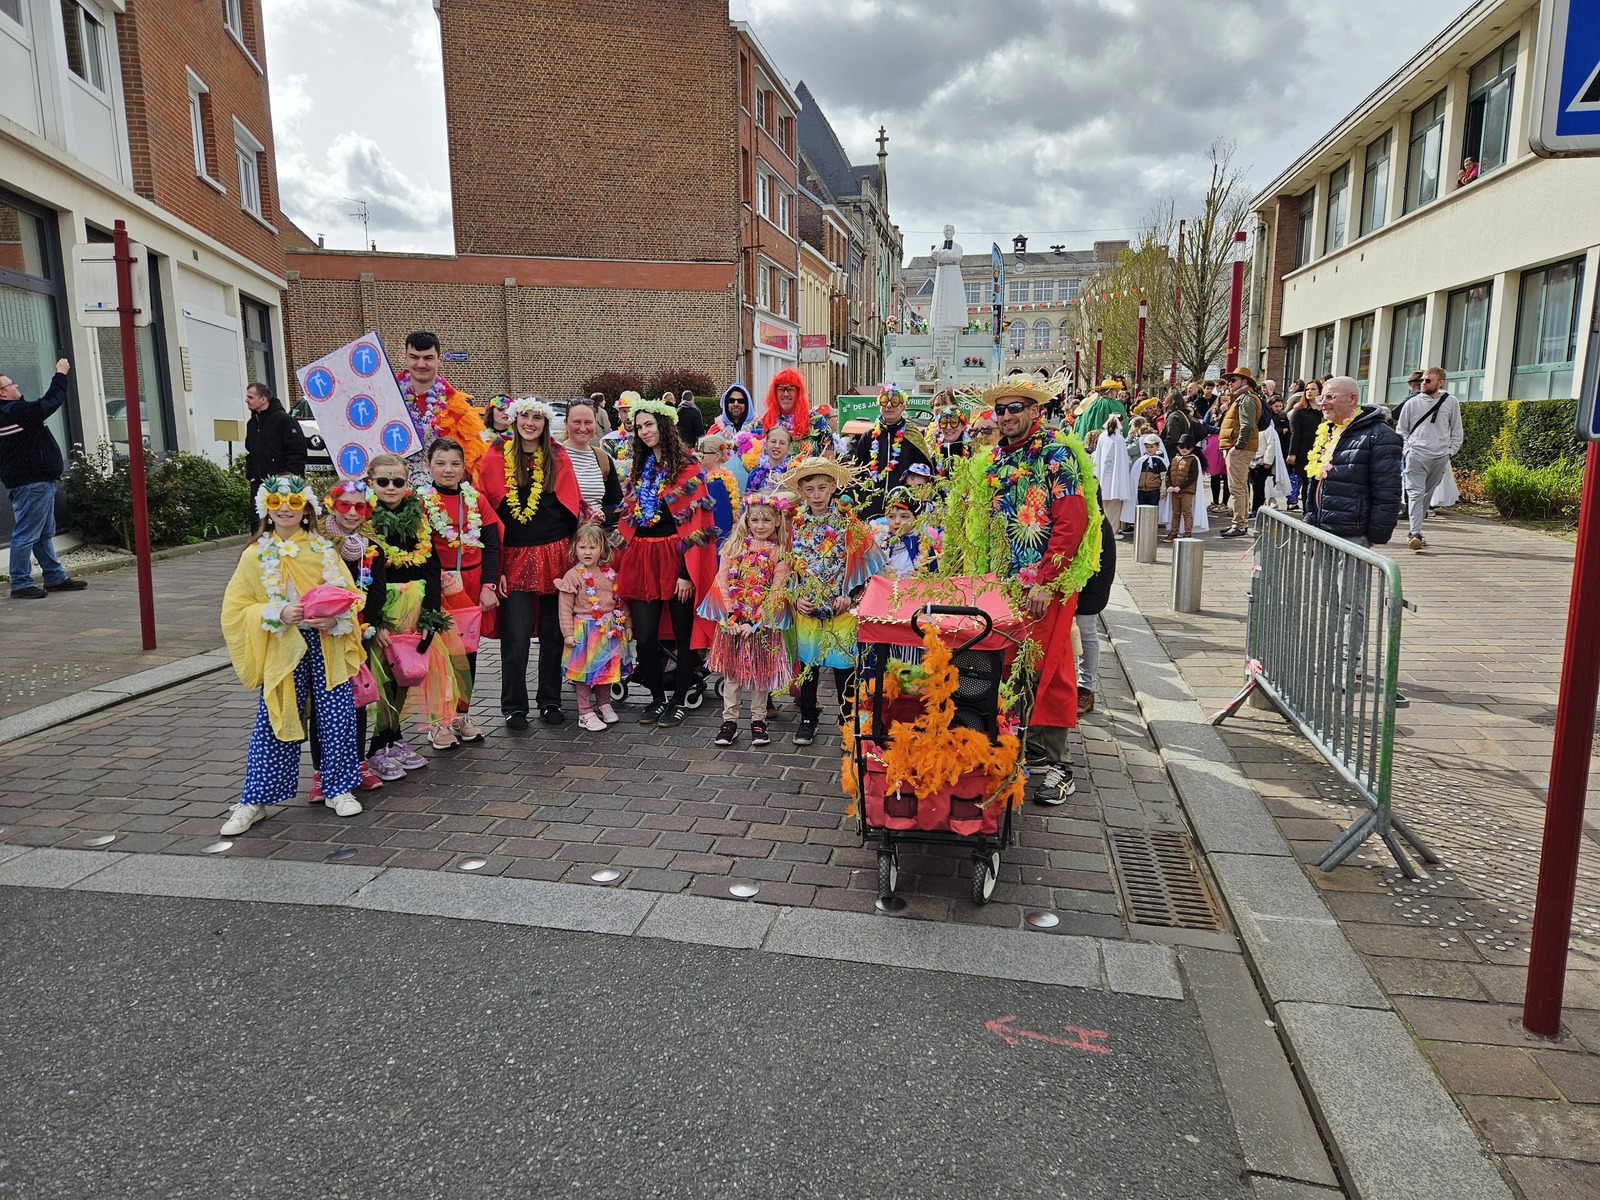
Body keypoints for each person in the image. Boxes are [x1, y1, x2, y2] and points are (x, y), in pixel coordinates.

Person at [219, 475, 365, 835]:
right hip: (282, 645)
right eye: (276, 503)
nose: (285, 509)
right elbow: (236, 609)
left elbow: (349, 597)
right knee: (274, 718)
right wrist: (276, 612)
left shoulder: (323, 551)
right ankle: (255, 799)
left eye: (294, 503)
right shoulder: (253, 555)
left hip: (325, 642)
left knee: (337, 716)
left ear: (307, 510)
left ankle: (338, 788)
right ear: (265, 509)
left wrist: (334, 619)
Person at [978, 377, 1095, 806]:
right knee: (1012, 669)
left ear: (1034, 411)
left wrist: (1047, 580)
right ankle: (1028, 749)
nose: (1007, 416)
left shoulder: (1056, 455)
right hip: (1003, 586)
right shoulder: (996, 458)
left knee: (1051, 668)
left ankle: (1061, 766)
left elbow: (1072, 521)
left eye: (1016, 408)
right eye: (1001, 409)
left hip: (1044, 588)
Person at [479, 397, 582, 730]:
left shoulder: (557, 455)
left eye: (538, 418)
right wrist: (496, 570)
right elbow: (488, 514)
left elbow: (571, 506)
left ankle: (550, 700)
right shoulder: (496, 456)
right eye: (525, 416)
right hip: (515, 556)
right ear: (514, 419)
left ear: (546, 423)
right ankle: (514, 706)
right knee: (517, 635)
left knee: (554, 632)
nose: (530, 423)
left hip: (555, 552)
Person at [615, 396, 717, 729]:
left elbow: (699, 523)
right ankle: (657, 698)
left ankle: (678, 700)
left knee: (683, 634)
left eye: (650, 424)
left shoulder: (687, 468)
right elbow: (630, 513)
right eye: (639, 426)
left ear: (664, 425)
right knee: (645, 637)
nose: (644, 431)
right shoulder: (639, 468)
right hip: (643, 556)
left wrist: (687, 573)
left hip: (676, 556)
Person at [782, 456, 884, 747]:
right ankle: (808, 717)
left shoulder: (848, 522)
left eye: (822, 488)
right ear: (801, 491)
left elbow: (867, 562)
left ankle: (846, 721)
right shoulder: (793, 524)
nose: (816, 495)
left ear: (833, 488)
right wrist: (795, 596)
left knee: (844, 668)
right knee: (809, 665)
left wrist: (849, 595)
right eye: (810, 489)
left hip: (840, 608)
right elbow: (785, 566)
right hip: (808, 607)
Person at [363, 452, 453, 775]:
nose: (390, 487)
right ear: (370, 483)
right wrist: (373, 621)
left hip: (413, 605)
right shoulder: (365, 519)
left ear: (407, 484)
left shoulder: (418, 517)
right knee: (382, 677)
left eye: (397, 481)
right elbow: (362, 573)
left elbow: (431, 567)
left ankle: (394, 737)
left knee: (405, 672)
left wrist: (430, 615)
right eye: (383, 481)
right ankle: (378, 746)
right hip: (381, 608)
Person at [420, 437, 501, 749]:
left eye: (455, 463)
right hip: (437, 586)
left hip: (471, 583)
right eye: (440, 463)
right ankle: (438, 722)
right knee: (437, 654)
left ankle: (461, 715)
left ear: (464, 466)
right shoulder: (421, 502)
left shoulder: (476, 499)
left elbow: (491, 545)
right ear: (428, 466)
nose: (448, 470)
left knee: (467, 653)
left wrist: (488, 585)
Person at [699, 491, 793, 747]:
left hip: (763, 626)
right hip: (732, 623)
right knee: (732, 675)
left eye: (766, 520)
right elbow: (722, 582)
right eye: (755, 520)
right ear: (747, 520)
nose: (760, 526)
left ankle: (758, 721)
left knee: (760, 674)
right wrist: (731, 617)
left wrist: (755, 622)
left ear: (777, 521)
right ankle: (729, 721)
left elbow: (777, 591)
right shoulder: (733, 548)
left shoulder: (780, 553)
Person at [313, 479, 385, 795]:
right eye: (345, 505)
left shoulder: (372, 545)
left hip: (358, 631)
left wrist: (369, 623)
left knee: (358, 697)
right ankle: (322, 772)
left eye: (360, 506)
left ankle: (357, 763)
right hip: (325, 632)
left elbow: (377, 592)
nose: (353, 513)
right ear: (332, 506)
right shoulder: (318, 544)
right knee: (323, 701)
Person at [2, 357, 88, 599]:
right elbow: (49, 403)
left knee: (41, 533)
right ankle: (20, 583)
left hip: (33, 483)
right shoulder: (13, 412)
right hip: (32, 484)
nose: (17, 386)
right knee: (27, 533)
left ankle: (54, 577)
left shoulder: (13, 412)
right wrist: (60, 375)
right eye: (11, 384)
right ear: (2, 393)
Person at [1305, 377, 1402, 547]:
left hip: (1352, 533)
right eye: (1322, 398)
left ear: (1352, 399)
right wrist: (1311, 519)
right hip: (1322, 528)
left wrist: (1377, 534)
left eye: (1330, 397)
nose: (1323, 403)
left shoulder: (1380, 435)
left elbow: (1387, 491)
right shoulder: (1329, 431)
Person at [556, 523, 630, 732]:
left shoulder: (609, 574)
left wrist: (627, 624)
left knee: (606, 669)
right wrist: (568, 634)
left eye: (592, 547)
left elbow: (620, 602)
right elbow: (564, 608)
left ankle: (604, 703)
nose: (587, 552)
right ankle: (585, 712)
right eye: (582, 547)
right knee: (584, 674)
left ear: (603, 549)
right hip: (584, 630)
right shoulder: (572, 576)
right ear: (574, 549)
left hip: (608, 629)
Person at [396, 330, 487, 482]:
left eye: (428, 358)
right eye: (414, 357)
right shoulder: (386, 398)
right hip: (394, 489)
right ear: (405, 357)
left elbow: (471, 464)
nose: (421, 364)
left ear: (440, 360)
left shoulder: (459, 409)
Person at [1396, 367, 1463, 553]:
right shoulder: (1412, 403)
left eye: (1427, 381)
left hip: (1440, 456)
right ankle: (1415, 533)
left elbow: (1456, 430)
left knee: (1427, 494)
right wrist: (1407, 450)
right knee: (1415, 493)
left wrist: (1449, 452)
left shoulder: (1450, 402)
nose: (1423, 384)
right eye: (1422, 381)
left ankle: (1416, 529)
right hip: (1416, 455)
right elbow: (1401, 430)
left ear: (1440, 382)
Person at [848, 383, 935, 518]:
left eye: (894, 401)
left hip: (904, 511)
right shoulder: (868, 437)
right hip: (872, 509)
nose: (889, 405)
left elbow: (924, 474)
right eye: (884, 401)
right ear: (879, 405)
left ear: (903, 407)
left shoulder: (913, 436)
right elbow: (858, 473)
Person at [1075, 512, 1116, 714]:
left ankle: (1086, 688)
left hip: (1093, 572)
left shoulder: (1094, 515)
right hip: (1062, 567)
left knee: (1085, 628)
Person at [1216, 366, 1262, 537]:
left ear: (1244, 381)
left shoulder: (1247, 399)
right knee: (1240, 486)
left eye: (1233, 380)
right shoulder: (1242, 398)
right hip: (1238, 447)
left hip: (1239, 449)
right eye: (1229, 380)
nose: (1229, 383)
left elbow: (1247, 425)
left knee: (1236, 487)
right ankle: (1241, 523)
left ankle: (1239, 524)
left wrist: (1238, 446)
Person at [560, 399, 622, 527]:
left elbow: (617, 503)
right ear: (566, 423)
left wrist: (604, 514)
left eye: (588, 422)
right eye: (577, 422)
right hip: (563, 534)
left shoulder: (603, 458)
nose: (583, 428)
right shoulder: (553, 456)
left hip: (595, 535)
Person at [243, 381, 307, 495]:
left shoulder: (284, 421)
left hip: (283, 487)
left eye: (251, 397)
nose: (246, 400)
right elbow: (251, 452)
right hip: (259, 486)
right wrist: (251, 475)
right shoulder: (252, 424)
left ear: (263, 399)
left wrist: (287, 479)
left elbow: (297, 451)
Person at [759, 368, 831, 458]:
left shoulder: (817, 421)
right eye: (781, 389)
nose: (785, 394)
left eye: (790, 389)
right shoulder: (763, 423)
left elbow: (830, 460)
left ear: (798, 392)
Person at [1091, 413, 1135, 538]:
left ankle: (1103, 531)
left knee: (1103, 505)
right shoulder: (1119, 439)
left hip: (1103, 474)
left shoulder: (1102, 436)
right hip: (1116, 476)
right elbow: (1122, 460)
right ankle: (1113, 531)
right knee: (1114, 506)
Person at [696, 434, 741, 545]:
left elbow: (720, 518)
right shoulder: (713, 478)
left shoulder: (716, 483)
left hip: (716, 540)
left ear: (716, 457)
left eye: (702, 453)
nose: (698, 456)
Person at [1285, 380, 1322, 510]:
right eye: (1307, 389)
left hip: (1322, 451)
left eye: (1313, 389)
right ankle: (1307, 512)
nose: (1309, 392)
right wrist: (1292, 453)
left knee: (1319, 484)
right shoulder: (1299, 411)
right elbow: (1295, 434)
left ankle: (1317, 510)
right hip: (1304, 452)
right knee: (1307, 482)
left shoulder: (1325, 410)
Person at [1166, 435, 1200, 540]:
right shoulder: (1174, 459)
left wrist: (1180, 487)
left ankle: (1187, 533)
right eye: (1182, 446)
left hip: (1186, 491)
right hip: (1174, 491)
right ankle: (1173, 532)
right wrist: (1169, 485)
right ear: (1178, 447)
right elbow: (1168, 474)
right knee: (1175, 513)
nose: (1184, 449)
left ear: (1192, 449)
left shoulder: (1193, 460)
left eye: (1188, 447)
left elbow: (1192, 476)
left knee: (1187, 513)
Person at [744, 424, 792, 494]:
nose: (777, 446)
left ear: (789, 448)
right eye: (773, 441)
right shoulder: (755, 474)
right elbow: (747, 498)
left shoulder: (793, 473)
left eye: (782, 443)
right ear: (765, 445)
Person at [1134, 433, 1166, 509]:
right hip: (1141, 491)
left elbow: (1164, 477)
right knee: (1142, 510)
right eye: (1147, 447)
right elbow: (1135, 476)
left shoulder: (1160, 461)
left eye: (1152, 447)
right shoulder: (1142, 460)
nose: (1149, 449)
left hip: (1154, 491)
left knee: (1153, 510)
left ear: (1158, 446)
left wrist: (1163, 491)